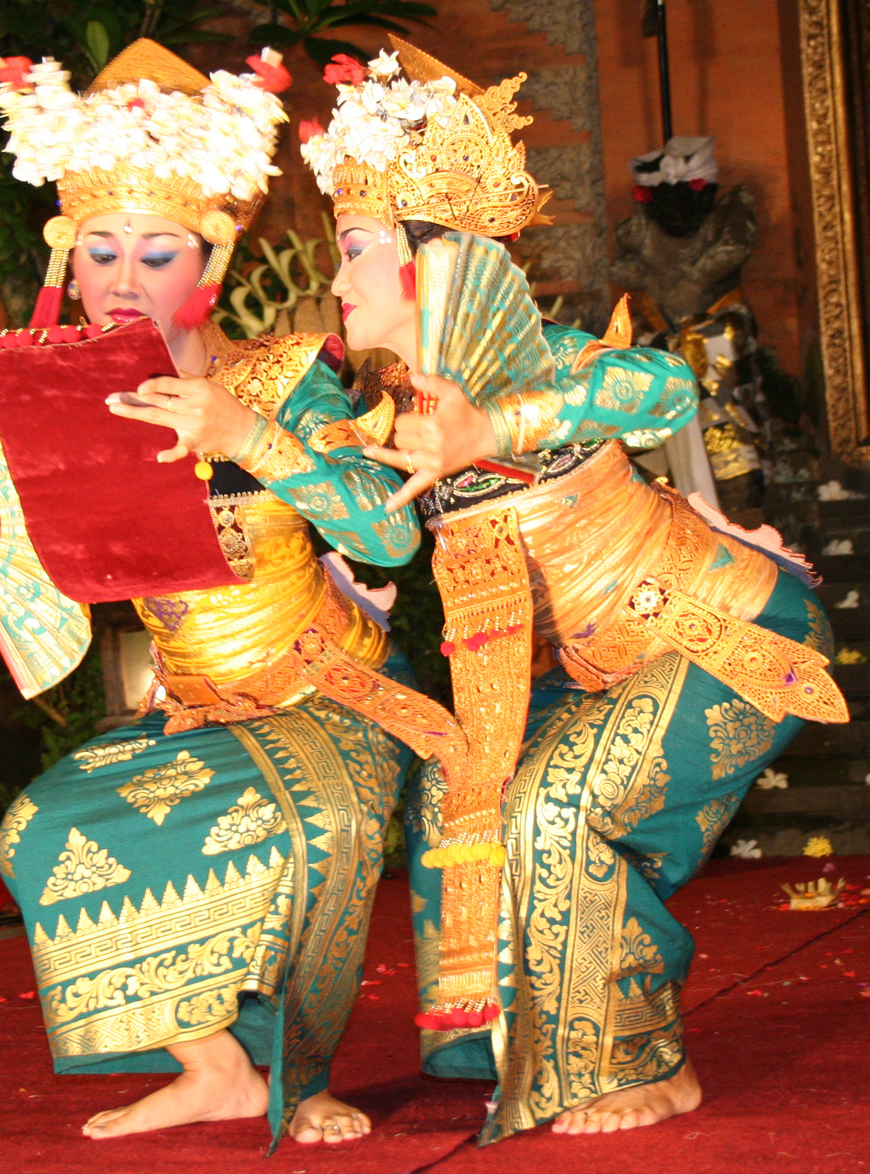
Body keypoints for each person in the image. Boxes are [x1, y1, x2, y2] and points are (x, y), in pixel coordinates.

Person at [0, 39, 468, 1149]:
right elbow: (50, 578)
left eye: (155, 253)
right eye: (101, 252)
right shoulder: (68, 402)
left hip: (335, 690)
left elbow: (388, 532)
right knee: (37, 829)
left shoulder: (286, 375)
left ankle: (297, 1079)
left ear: (206, 258)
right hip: (198, 701)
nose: (121, 279)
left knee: (312, 824)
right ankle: (214, 1067)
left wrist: (249, 435)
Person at [299, 40, 846, 1143]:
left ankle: (646, 1060)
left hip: (723, 633)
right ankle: (508, 1031)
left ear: (432, 262)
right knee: (472, 792)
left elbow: (660, 387)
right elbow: (377, 537)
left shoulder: (533, 356)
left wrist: (495, 427)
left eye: (357, 249)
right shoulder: (373, 409)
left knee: (555, 803)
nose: (340, 277)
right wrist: (263, 447)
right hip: (584, 671)